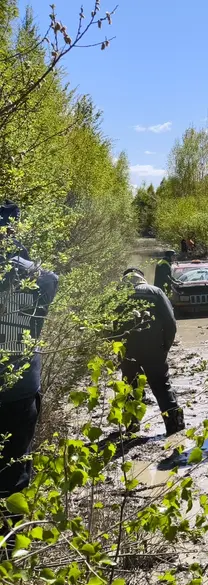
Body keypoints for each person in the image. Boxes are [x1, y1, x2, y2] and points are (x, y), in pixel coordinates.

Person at [0, 202, 59, 499]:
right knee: (14, 472)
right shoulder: (38, 277)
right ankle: (10, 527)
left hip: (20, 389)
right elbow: (51, 279)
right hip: (19, 389)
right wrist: (21, 256)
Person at [117, 268, 184, 436]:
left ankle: (132, 427)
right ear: (142, 278)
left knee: (129, 387)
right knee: (162, 386)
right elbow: (170, 322)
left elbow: (108, 325)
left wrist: (115, 347)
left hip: (127, 350)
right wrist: (165, 346)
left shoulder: (116, 296)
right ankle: (175, 427)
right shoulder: (156, 292)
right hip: (154, 349)